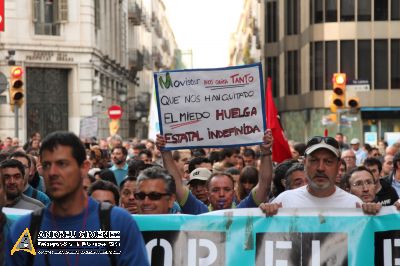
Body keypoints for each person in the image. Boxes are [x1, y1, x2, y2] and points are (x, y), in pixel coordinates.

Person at [6, 131, 149, 265]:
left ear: (84, 168)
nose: (53, 172)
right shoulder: (25, 230)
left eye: (62, 164)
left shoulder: (119, 224)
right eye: (47, 165)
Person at [157, 130, 273, 214]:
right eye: (215, 190)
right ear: (207, 193)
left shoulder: (243, 210)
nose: (221, 194)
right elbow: (176, 183)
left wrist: (266, 152)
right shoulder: (199, 211)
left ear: (233, 192)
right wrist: (165, 152)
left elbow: (264, 184)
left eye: (227, 189)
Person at [260, 136, 381, 216]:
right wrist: (265, 214)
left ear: (338, 165)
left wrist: (372, 218)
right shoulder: (285, 201)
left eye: (328, 161)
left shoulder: (354, 205)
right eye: (314, 160)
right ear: (304, 163)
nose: (321, 168)